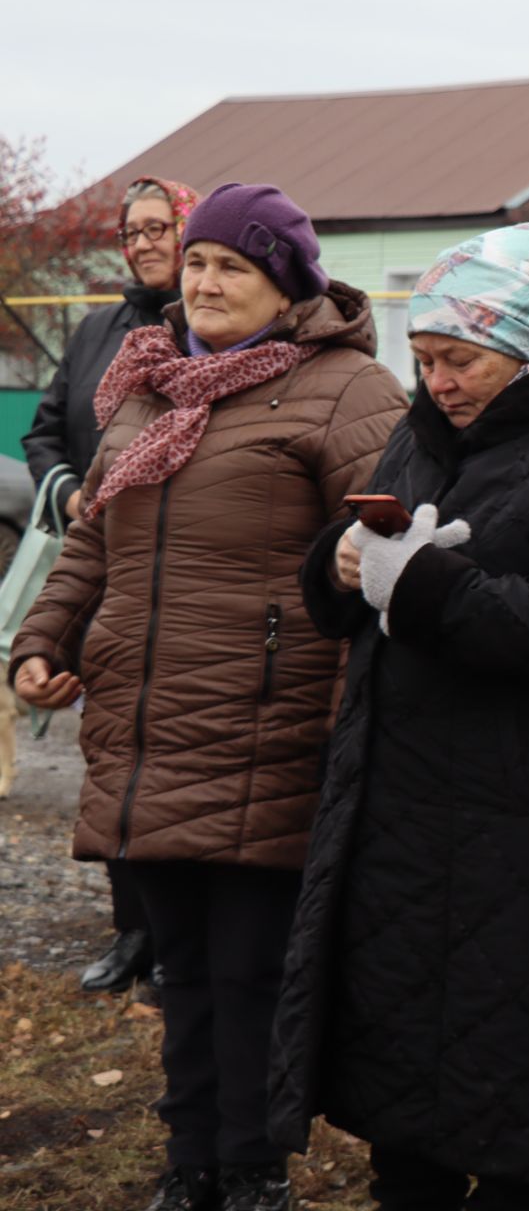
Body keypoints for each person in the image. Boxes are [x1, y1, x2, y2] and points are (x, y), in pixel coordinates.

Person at [9, 183, 408, 1211]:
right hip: (149, 725)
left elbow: (386, 564)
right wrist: (43, 637)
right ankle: (190, 1164)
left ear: (286, 282)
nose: (205, 281)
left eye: (233, 264)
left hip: (268, 725)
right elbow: (93, 533)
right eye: (195, 262)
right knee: (178, 969)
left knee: (252, 967)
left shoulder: (345, 389)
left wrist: (347, 722)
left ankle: (253, 1168)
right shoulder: (154, 385)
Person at [266, 224, 529, 1211]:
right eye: (426, 358)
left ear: (525, 348)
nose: (437, 380)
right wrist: (342, 564)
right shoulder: (423, 435)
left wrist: (427, 582)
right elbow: (356, 555)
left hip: (526, 813)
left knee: (516, 1061)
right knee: (400, 1080)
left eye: (460, 359)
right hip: (398, 806)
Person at [22, 175, 199, 996]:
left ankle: (183, 941)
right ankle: (132, 930)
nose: (144, 242)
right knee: (113, 761)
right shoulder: (97, 330)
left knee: (181, 759)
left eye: (160, 226)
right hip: (103, 578)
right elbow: (46, 429)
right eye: (131, 232)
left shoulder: (213, 327)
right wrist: (63, 489)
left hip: (188, 584)